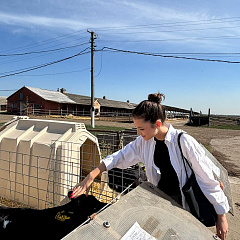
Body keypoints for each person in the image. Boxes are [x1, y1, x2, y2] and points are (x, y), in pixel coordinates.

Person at [72, 92, 229, 240]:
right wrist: (92, 174)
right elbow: (121, 156)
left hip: (185, 203)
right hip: (162, 200)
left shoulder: (183, 141)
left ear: (157, 124)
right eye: (137, 129)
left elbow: (206, 177)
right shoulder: (144, 142)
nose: (139, 133)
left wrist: (221, 215)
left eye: (141, 128)